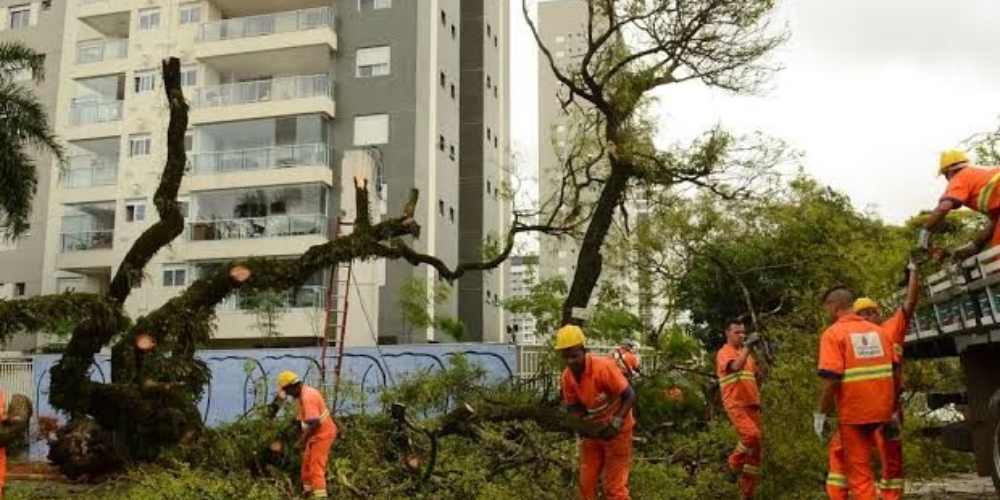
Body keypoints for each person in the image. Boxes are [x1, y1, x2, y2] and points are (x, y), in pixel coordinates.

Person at [815, 286, 898, 500]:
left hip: (855, 414)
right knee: (878, 465)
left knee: (860, 475)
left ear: (834, 306)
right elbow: (896, 373)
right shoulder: (879, 332)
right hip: (882, 411)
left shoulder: (833, 334)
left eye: (827, 307)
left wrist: (821, 414)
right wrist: (893, 410)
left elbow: (831, 379)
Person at [556, 324, 637, 500]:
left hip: (619, 432)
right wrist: (582, 425)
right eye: (567, 357)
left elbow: (629, 395)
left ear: (584, 351)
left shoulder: (603, 368)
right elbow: (574, 408)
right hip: (593, 433)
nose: (571, 361)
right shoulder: (567, 377)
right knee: (586, 484)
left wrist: (616, 423)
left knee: (614, 488)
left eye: (575, 356)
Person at [918, 149, 1000, 259]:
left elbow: (944, 207)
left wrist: (925, 232)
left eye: (945, 176)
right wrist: (975, 245)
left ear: (949, 171)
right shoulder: (982, 174)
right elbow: (995, 222)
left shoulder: (960, 177)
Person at [715, 319, 763, 499]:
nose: (741, 336)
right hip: (736, 403)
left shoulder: (747, 355)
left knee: (755, 456)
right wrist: (748, 346)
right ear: (727, 333)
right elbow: (735, 367)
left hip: (752, 405)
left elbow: (756, 376)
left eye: (743, 333)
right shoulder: (724, 352)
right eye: (737, 332)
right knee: (751, 435)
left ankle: (746, 494)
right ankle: (732, 465)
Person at [276, 371, 338, 499]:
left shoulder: (307, 397)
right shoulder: (302, 395)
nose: (287, 394)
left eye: (287, 391)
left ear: (293, 386)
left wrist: (301, 441)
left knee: (316, 469)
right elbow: (303, 421)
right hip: (314, 436)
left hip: (322, 436)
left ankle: (320, 497)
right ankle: (308, 493)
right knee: (306, 468)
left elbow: (314, 424)